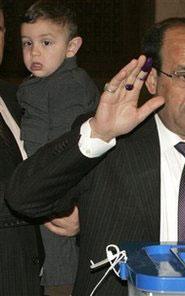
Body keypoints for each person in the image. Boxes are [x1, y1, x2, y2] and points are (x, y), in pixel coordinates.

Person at [6, 17, 185, 295]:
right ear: (152, 80)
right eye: (184, 75)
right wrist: (98, 134)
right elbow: (23, 199)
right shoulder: (111, 143)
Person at [17, 1, 99, 294]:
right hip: (41, 184)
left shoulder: (70, 85)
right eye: (27, 43)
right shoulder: (41, 82)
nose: (34, 52)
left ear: (72, 47)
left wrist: (65, 199)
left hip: (58, 191)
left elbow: (68, 151)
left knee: (60, 268)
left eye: (46, 42)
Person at [0, 1, 79, 294]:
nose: (35, 51)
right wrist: (50, 205)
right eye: (28, 43)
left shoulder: (21, 95)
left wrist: (81, 207)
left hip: (43, 273)